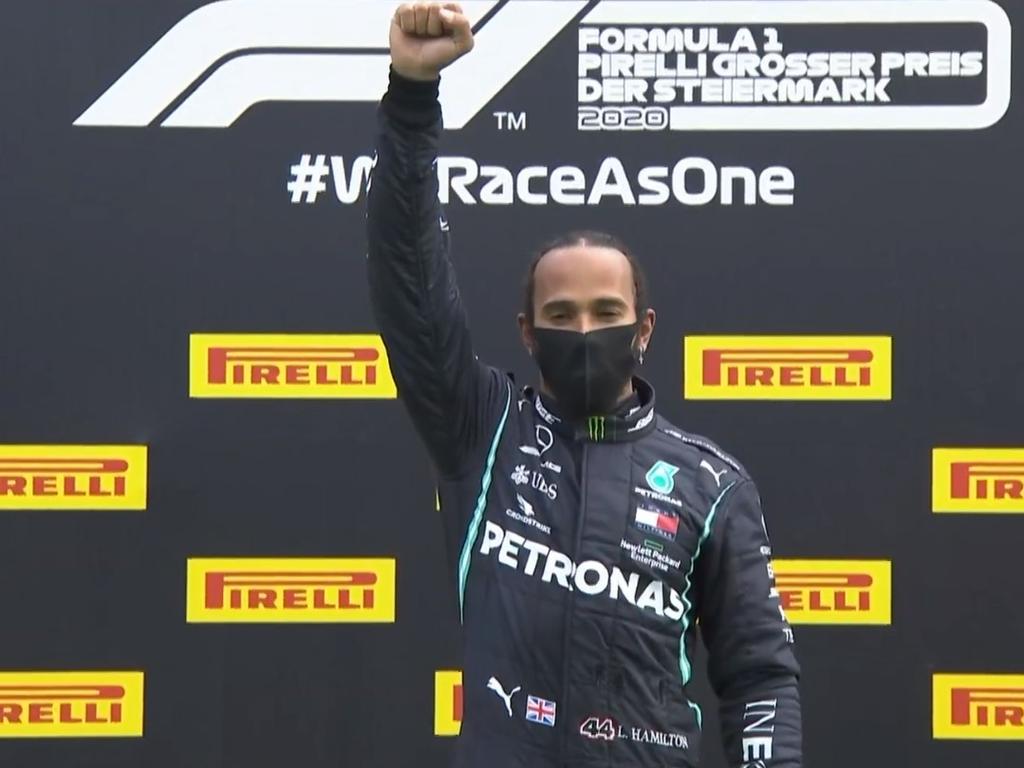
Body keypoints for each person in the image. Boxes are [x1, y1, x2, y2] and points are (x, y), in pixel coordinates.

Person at [366, 3, 802, 766]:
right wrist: (410, 96)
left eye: (607, 312)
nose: (585, 329)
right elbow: (409, 281)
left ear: (644, 328)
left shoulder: (713, 486)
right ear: (528, 332)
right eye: (560, 314)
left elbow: (760, 675)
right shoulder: (483, 432)